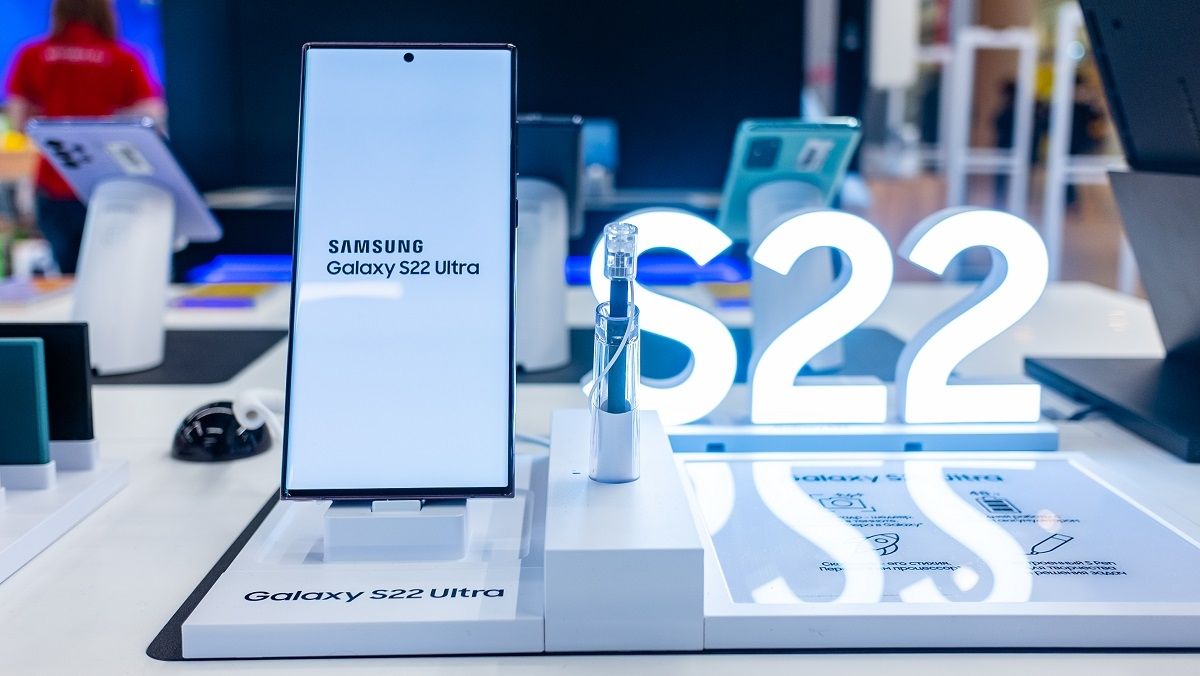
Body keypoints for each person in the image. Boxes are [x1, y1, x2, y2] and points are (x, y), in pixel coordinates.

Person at [3, 0, 165, 274]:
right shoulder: (123, 57)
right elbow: (150, 119)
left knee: (68, 273)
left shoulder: (33, 55)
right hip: (109, 183)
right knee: (111, 271)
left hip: (54, 181)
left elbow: (19, 120)